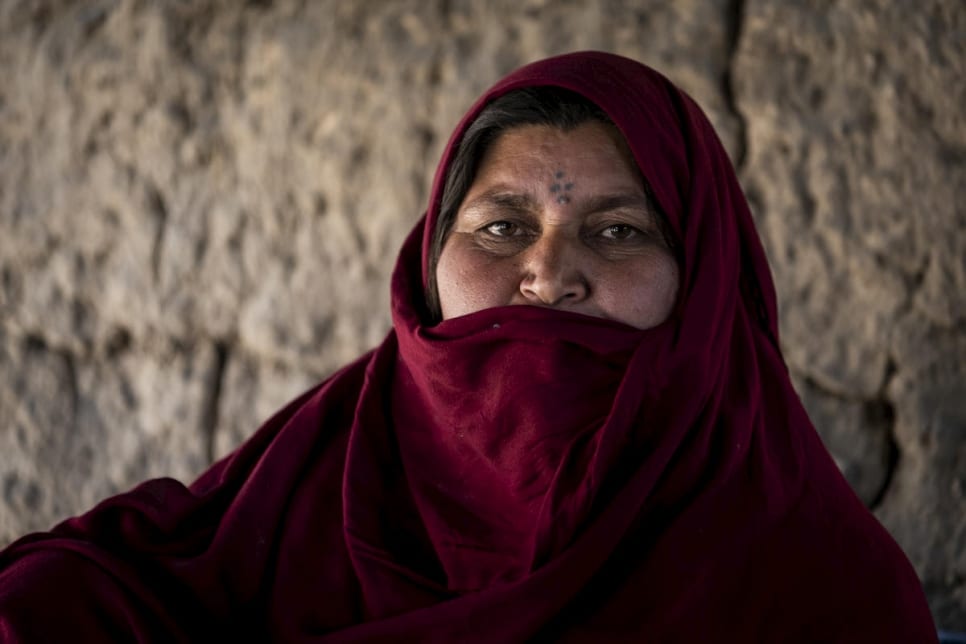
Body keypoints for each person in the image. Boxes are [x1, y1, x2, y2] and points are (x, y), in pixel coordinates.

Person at [0, 51, 937, 642]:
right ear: (427, 265)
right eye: (499, 228)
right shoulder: (326, 475)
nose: (546, 276)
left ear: (704, 289)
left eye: (617, 233)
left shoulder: (817, 588)